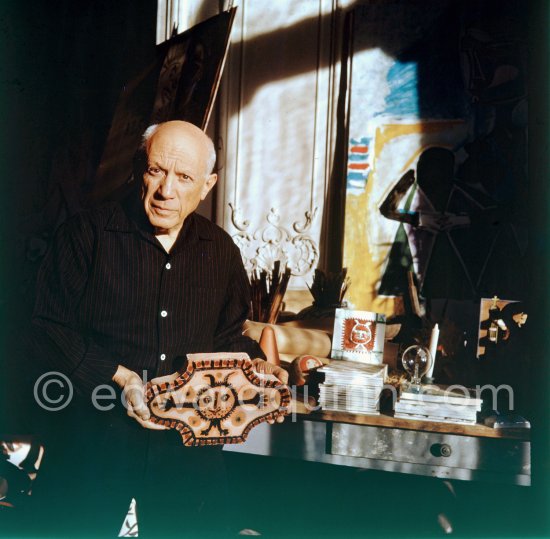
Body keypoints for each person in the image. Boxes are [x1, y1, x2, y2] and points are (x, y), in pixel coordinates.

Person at [24, 120, 287, 537]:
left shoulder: (220, 251)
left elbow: (227, 338)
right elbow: (45, 328)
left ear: (207, 185)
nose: (167, 191)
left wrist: (257, 366)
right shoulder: (85, 236)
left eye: (184, 177)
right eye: (156, 171)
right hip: (93, 441)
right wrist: (121, 376)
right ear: (137, 170)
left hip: (187, 453)